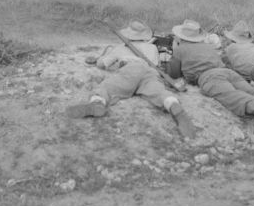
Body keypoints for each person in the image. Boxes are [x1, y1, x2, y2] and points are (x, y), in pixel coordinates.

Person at [166, 19, 254, 138]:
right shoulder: (208, 46)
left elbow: (173, 75)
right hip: (228, 73)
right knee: (253, 91)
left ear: (180, 37)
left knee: (231, 95)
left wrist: (173, 52)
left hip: (209, 76)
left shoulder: (180, 50)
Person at [66, 20, 197, 139]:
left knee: (107, 87)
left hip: (130, 69)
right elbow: (155, 64)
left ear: (129, 35)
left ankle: (97, 102)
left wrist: (101, 59)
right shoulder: (152, 48)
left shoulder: (121, 48)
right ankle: (172, 104)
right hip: (149, 72)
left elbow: (102, 64)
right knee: (159, 92)